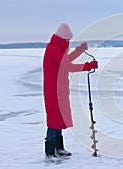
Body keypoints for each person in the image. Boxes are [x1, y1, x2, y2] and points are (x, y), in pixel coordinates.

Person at [43, 22, 98, 161]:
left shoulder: (58, 49)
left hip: (60, 89)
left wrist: (79, 50)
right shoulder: (53, 49)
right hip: (52, 90)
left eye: (69, 40)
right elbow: (68, 66)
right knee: (53, 121)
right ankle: (50, 153)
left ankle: (59, 148)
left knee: (59, 118)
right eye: (67, 39)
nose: (68, 42)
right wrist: (88, 66)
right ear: (61, 38)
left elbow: (66, 60)